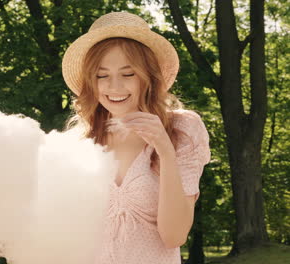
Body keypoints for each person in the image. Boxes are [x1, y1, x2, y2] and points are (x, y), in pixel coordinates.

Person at [62, 12, 211, 264]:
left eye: (128, 74)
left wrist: (164, 149)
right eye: (102, 75)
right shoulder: (77, 143)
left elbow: (174, 236)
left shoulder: (182, 129)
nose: (114, 86)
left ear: (148, 77)